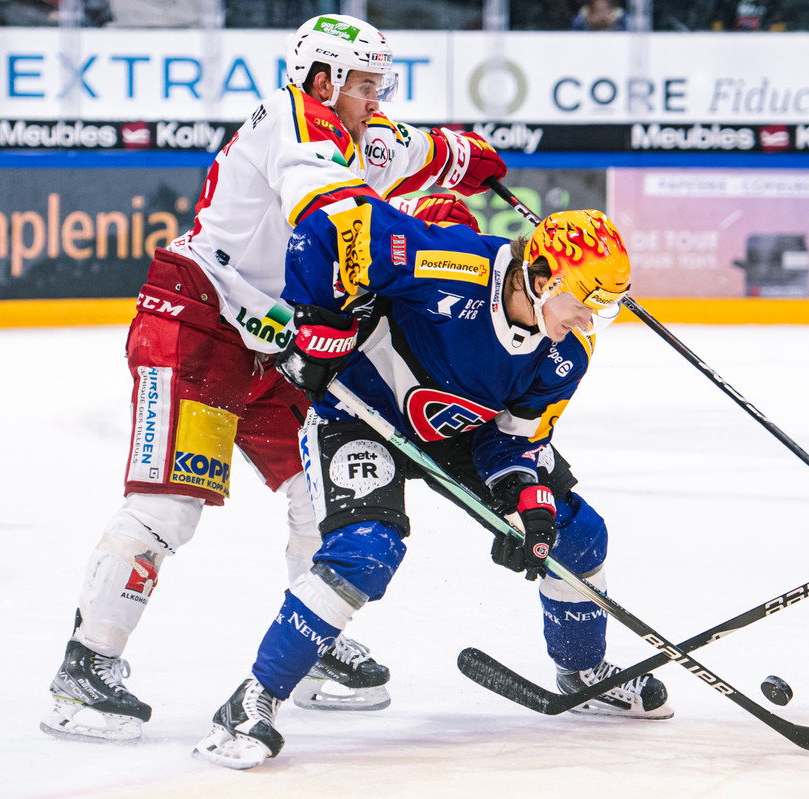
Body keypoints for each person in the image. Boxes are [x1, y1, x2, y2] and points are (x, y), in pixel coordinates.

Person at [40, 13, 507, 743]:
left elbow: (419, 150)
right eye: (364, 85)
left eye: (381, 85)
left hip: (273, 341)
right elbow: (338, 218)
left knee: (315, 495)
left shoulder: (358, 127)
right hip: (198, 323)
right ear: (322, 79)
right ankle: (84, 666)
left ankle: (311, 643)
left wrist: (468, 158)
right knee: (169, 505)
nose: (377, 98)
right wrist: (431, 245)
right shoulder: (294, 119)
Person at [191, 201, 673, 769]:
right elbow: (325, 230)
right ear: (544, 279)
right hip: (360, 414)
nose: (589, 322)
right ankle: (254, 698)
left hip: (463, 433)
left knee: (577, 533)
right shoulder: (453, 262)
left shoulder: (567, 351)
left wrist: (527, 503)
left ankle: (583, 671)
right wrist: (318, 324)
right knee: (365, 552)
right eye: (585, 304)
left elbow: (515, 442)